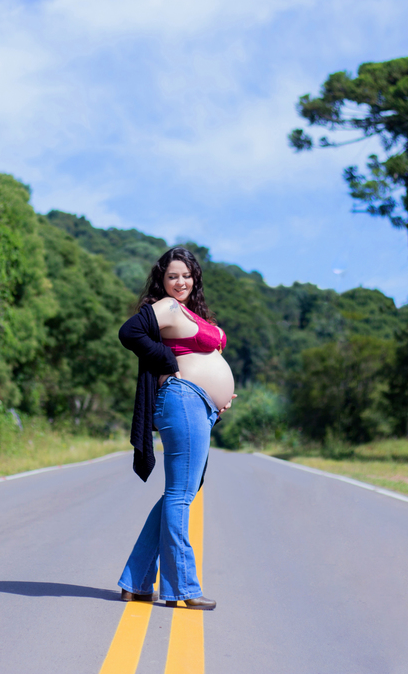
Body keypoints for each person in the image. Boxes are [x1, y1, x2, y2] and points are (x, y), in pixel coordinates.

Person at [116, 247, 236, 610]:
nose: (180, 282)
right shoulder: (166, 307)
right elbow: (129, 332)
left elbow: (206, 357)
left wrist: (221, 395)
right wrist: (167, 361)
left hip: (201, 406)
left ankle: (136, 581)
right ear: (162, 280)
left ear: (195, 277)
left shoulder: (192, 313)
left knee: (181, 492)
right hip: (183, 398)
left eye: (186, 275)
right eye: (172, 276)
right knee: (181, 495)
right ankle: (182, 587)